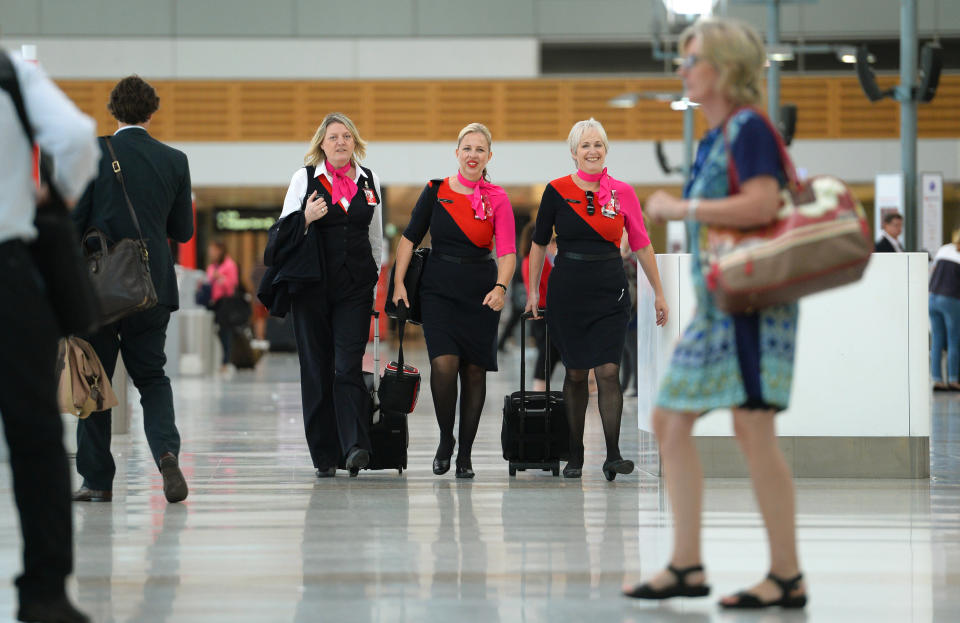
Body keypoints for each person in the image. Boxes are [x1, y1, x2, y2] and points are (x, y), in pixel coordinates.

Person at [623, 18, 808, 610]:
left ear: (724, 67)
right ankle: (686, 563)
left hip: (751, 306)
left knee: (752, 429)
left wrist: (682, 205)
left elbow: (763, 201)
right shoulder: (717, 136)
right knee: (672, 421)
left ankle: (785, 574)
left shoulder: (749, 128)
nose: (683, 69)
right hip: (721, 306)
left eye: (693, 59)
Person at [1, 48, 97, 623]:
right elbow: (78, 139)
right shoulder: (13, 71)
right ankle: (43, 592)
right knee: (35, 435)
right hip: (9, 272)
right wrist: (54, 197)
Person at [72, 75, 194, 504]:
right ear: (151, 111)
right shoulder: (174, 160)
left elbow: (75, 224)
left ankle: (97, 481)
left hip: (101, 291)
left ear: (113, 110)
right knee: (153, 378)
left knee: (93, 382)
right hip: (152, 287)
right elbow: (183, 230)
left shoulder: (94, 154)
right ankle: (165, 453)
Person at [525, 118, 668, 481]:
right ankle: (575, 454)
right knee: (575, 374)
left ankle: (613, 455)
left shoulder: (624, 193)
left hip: (610, 289)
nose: (592, 151)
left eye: (598, 145)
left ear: (606, 151)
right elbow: (539, 243)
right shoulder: (556, 191)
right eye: (585, 145)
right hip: (568, 291)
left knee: (608, 371)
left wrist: (659, 293)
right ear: (574, 153)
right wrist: (530, 292)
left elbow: (641, 244)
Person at [392, 122, 516, 479]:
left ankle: (465, 454)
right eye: (467, 148)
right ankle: (446, 439)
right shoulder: (435, 190)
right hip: (438, 289)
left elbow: (507, 250)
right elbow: (408, 238)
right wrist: (399, 282)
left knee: (475, 372)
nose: (473, 155)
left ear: (488, 156)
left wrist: (501, 287)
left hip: (481, 290)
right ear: (457, 153)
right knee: (444, 366)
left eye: (480, 149)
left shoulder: (499, 198)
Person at [279, 112, 383, 478]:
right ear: (321, 144)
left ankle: (354, 446)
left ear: (355, 143)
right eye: (333, 136)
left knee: (347, 367)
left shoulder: (369, 181)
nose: (341, 142)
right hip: (311, 289)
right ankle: (324, 456)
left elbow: (375, 238)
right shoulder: (304, 178)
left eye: (347, 136)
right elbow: (282, 235)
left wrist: (372, 284)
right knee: (316, 371)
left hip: (354, 289)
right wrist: (306, 217)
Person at [519, 221, 560, 391]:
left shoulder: (531, 260)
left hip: (543, 312)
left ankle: (540, 387)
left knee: (550, 352)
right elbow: (549, 285)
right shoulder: (536, 262)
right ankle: (539, 388)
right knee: (547, 353)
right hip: (543, 311)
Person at [929, 229, 960, 391]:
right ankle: (953, 379)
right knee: (954, 340)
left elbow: (932, 271)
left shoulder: (944, 249)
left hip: (933, 297)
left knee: (937, 340)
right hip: (951, 300)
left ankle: (937, 380)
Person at [205, 240, 240, 370]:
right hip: (212, 303)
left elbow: (233, 284)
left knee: (225, 332)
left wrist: (220, 278)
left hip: (225, 303)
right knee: (214, 332)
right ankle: (214, 361)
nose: (211, 253)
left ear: (220, 250)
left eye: (213, 250)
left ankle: (225, 361)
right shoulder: (212, 266)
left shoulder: (229, 265)